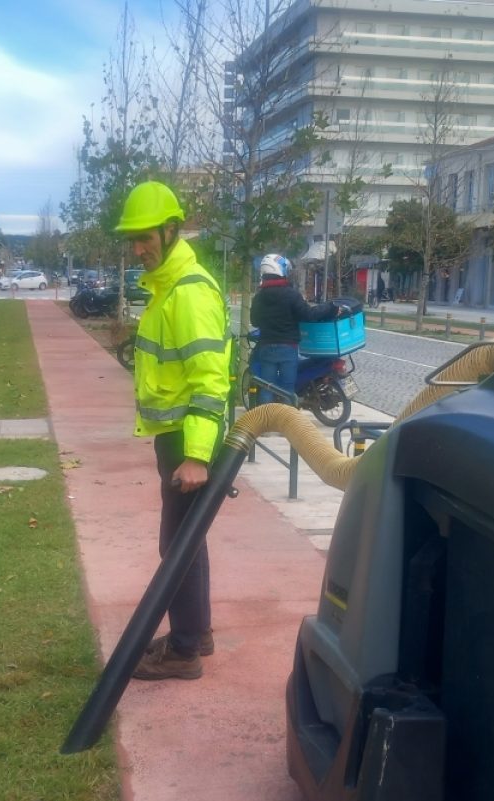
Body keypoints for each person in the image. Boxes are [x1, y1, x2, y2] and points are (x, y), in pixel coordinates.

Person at [115, 180, 232, 681]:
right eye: (133, 239)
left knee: (177, 545)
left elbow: (211, 379)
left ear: (170, 230)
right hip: (177, 435)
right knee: (187, 541)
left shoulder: (188, 291)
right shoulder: (169, 287)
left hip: (190, 437)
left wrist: (198, 455)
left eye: (145, 237)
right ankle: (195, 633)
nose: (138, 248)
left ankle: (184, 652)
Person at [250, 253, 336, 404]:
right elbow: (308, 315)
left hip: (266, 347)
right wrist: (330, 307)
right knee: (287, 390)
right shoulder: (291, 295)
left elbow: (254, 321)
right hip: (287, 347)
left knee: (266, 388)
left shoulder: (259, 297)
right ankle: (287, 417)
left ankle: (266, 417)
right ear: (280, 270)